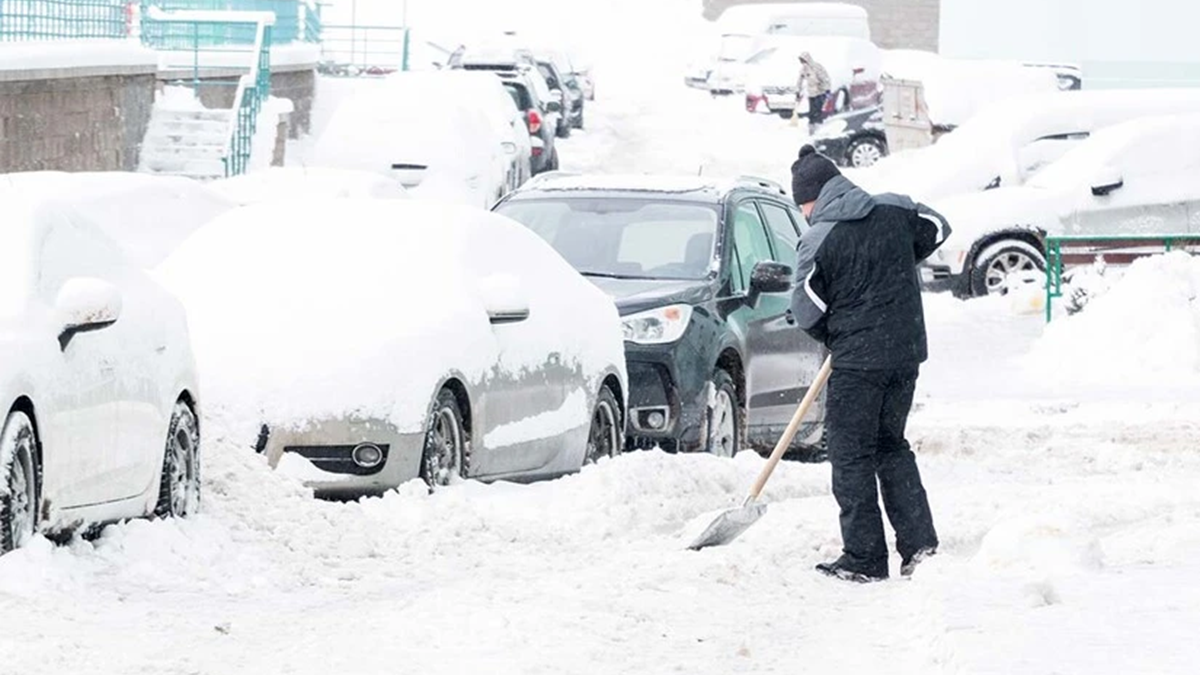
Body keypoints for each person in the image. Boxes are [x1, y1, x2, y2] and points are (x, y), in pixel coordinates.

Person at [789, 145, 951, 583]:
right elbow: (937, 226)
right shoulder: (895, 209)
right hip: (904, 354)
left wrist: (836, 332)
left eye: (802, 203)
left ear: (815, 197)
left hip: (859, 362)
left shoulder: (819, 236)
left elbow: (805, 309)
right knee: (891, 445)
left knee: (851, 455)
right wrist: (894, 260)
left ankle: (864, 557)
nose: (804, 213)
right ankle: (920, 547)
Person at [796, 52, 832, 132]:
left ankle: (820, 127)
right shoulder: (803, 70)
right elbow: (799, 81)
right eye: (801, 61)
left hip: (820, 93)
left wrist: (827, 90)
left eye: (803, 60)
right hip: (811, 94)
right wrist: (798, 91)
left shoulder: (817, 67)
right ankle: (812, 128)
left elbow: (825, 78)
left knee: (819, 111)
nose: (802, 62)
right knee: (812, 112)